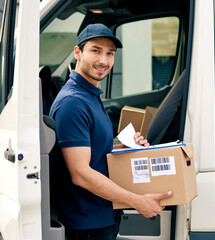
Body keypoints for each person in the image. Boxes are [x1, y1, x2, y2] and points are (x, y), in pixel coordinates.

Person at [49, 23, 172, 240]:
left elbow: (90, 150)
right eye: (95, 50)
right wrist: (137, 201)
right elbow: (80, 174)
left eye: (110, 53)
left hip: (101, 214)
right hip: (87, 222)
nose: (104, 61)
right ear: (78, 52)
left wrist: (121, 148)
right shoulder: (73, 103)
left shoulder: (90, 94)